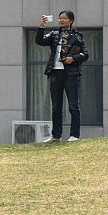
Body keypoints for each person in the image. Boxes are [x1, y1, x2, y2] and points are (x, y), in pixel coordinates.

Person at [35, 10, 89, 142]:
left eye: (64, 18)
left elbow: (85, 54)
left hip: (71, 74)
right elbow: (40, 41)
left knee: (73, 106)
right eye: (60, 18)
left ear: (71, 20)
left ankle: (74, 135)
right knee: (56, 106)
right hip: (55, 72)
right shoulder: (54, 34)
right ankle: (56, 135)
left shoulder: (77, 36)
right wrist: (42, 26)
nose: (61, 20)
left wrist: (73, 58)